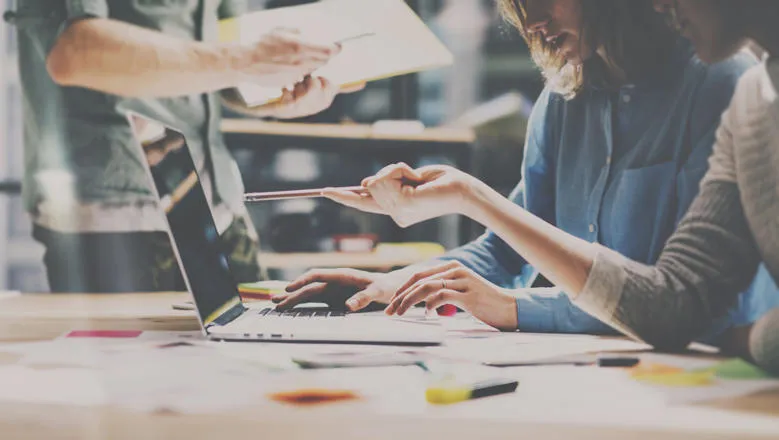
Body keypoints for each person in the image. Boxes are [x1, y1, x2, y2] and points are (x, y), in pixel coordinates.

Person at [295, 0, 779, 373]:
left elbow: (691, 304)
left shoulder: (726, 85)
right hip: (616, 373)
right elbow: (508, 253)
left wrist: (513, 307)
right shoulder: (565, 98)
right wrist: (393, 284)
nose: (533, 24)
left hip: (706, 372)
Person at [10, 0, 362, 292]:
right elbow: (74, 51)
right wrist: (247, 59)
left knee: (251, 359)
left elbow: (221, 60)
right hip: (118, 213)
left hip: (219, 204)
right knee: (132, 374)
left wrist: (278, 97)